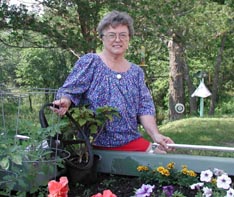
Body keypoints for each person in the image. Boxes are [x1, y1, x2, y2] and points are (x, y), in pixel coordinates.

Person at [52, 10, 174, 153]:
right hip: (91, 146)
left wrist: (155, 135)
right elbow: (69, 91)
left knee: (163, 163)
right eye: (112, 35)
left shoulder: (136, 72)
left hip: (130, 141)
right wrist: (65, 100)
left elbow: (145, 108)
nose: (118, 39)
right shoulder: (91, 62)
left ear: (129, 39)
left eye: (123, 35)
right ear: (102, 38)